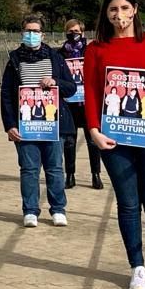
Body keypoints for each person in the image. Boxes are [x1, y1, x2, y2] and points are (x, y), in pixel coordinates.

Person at [84, 0, 145, 289]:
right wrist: (94, 130)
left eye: (124, 8)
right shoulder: (96, 49)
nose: (119, 15)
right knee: (127, 203)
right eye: (113, 9)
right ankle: (137, 266)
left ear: (135, 9)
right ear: (106, 13)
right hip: (115, 136)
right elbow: (92, 93)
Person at [0, 14, 76, 228]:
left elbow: (71, 88)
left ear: (42, 34)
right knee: (29, 169)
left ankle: (58, 209)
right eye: (28, 31)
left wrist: (56, 82)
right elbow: (6, 94)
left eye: (36, 31)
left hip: (53, 124)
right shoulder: (14, 59)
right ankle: (30, 210)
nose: (31, 35)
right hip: (26, 124)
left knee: (54, 168)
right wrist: (9, 124)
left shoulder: (55, 57)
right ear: (22, 33)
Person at [59, 18, 103, 190]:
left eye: (76, 31)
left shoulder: (90, 50)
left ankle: (96, 174)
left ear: (82, 32)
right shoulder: (61, 53)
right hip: (69, 102)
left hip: (87, 101)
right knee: (69, 141)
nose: (73, 34)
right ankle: (70, 174)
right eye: (70, 31)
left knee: (93, 141)